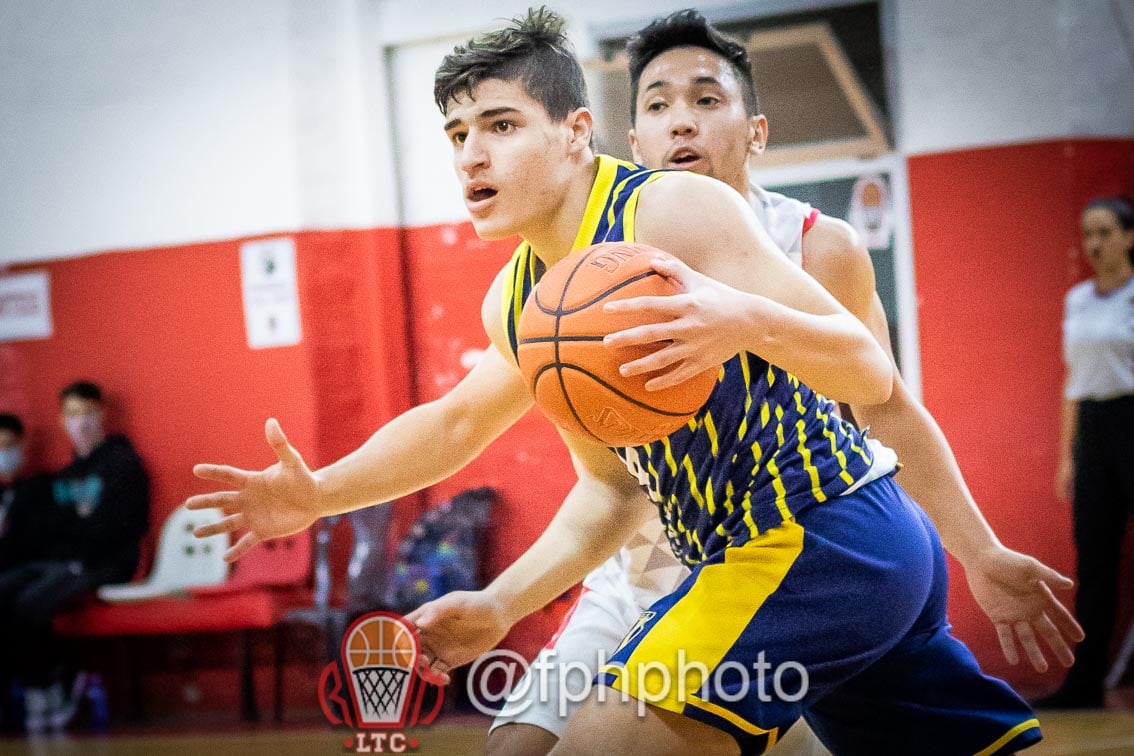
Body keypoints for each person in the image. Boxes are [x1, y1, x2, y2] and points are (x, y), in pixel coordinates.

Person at [191, 9, 1047, 753]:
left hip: (817, 536)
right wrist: (321, 496)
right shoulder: (522, 297)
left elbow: (868, 374)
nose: (471, 156)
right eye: (458, 136)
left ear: (574, 132)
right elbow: (496, 444)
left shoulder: (670, 211)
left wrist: (741, 319)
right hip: (806, 559)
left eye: (499, 125)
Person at [484, 10, 1083, 754]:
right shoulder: (595, 264)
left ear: (755, 131)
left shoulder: (813, 244)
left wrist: (981, 551)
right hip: (655, 559)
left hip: (799, 541)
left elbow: (882, 409)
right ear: (631, 141)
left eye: (707, 100)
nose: (682, 124)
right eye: (658, 105)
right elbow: (586, 470)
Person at [0, 381, 150, 732]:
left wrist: (73, 543)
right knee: (6, 589)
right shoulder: (61, 478)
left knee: (32, 601)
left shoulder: (123, 465)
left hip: (108, 563)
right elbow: (50, 532)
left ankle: (55, 684)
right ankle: (33, 686)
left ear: (101, 415)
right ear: (62, 420)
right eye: (72, 414)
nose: (80, 422)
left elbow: (115, 528)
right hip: (62, 561)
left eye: (87, 412)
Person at [1037, 195, 1134, 710]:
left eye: (1105, 232)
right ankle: (1085, 684)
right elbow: (1073, 382)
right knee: (1094, 562)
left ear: (1128, 236)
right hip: (1093, 433)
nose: (1094, 243)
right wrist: (1068, 458)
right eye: (1088, 233)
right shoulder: (1078, 299)